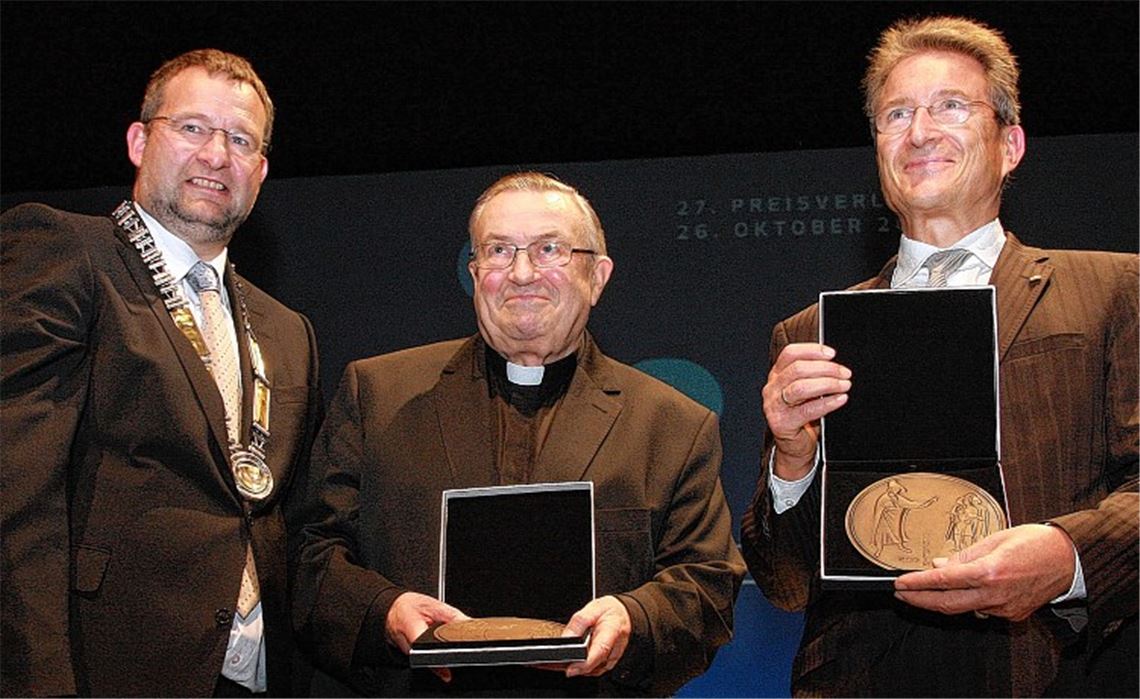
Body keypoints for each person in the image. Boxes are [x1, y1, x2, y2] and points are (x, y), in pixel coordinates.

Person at [740, 15, 1138, 697]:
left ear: (1010, 143)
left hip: (1053, 673)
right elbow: (784, 580)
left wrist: (1067, 554)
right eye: (896, 115)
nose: (920, 132)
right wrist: (792, 460)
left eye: (950, 106)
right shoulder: (808, 333)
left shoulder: (1114, 290)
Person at [293, 171, 745, 696]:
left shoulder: (671, 425)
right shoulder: (377, 395)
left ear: (597, 277)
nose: (522, 273)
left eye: (550, 249)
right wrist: (384, 612)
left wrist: (632, 616)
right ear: (474, 270)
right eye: (499, 251)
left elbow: (706, 587)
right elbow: (311, 555)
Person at [1, 49, 324, 697]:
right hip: (107, 672)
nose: (215, 155)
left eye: (239, 139)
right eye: (193, 128)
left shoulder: (288, 331)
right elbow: (15, 495)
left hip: (255, 678)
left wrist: (388, 613)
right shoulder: (67, 252)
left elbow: (292, 526)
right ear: (139, 140)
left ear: (260, 170)